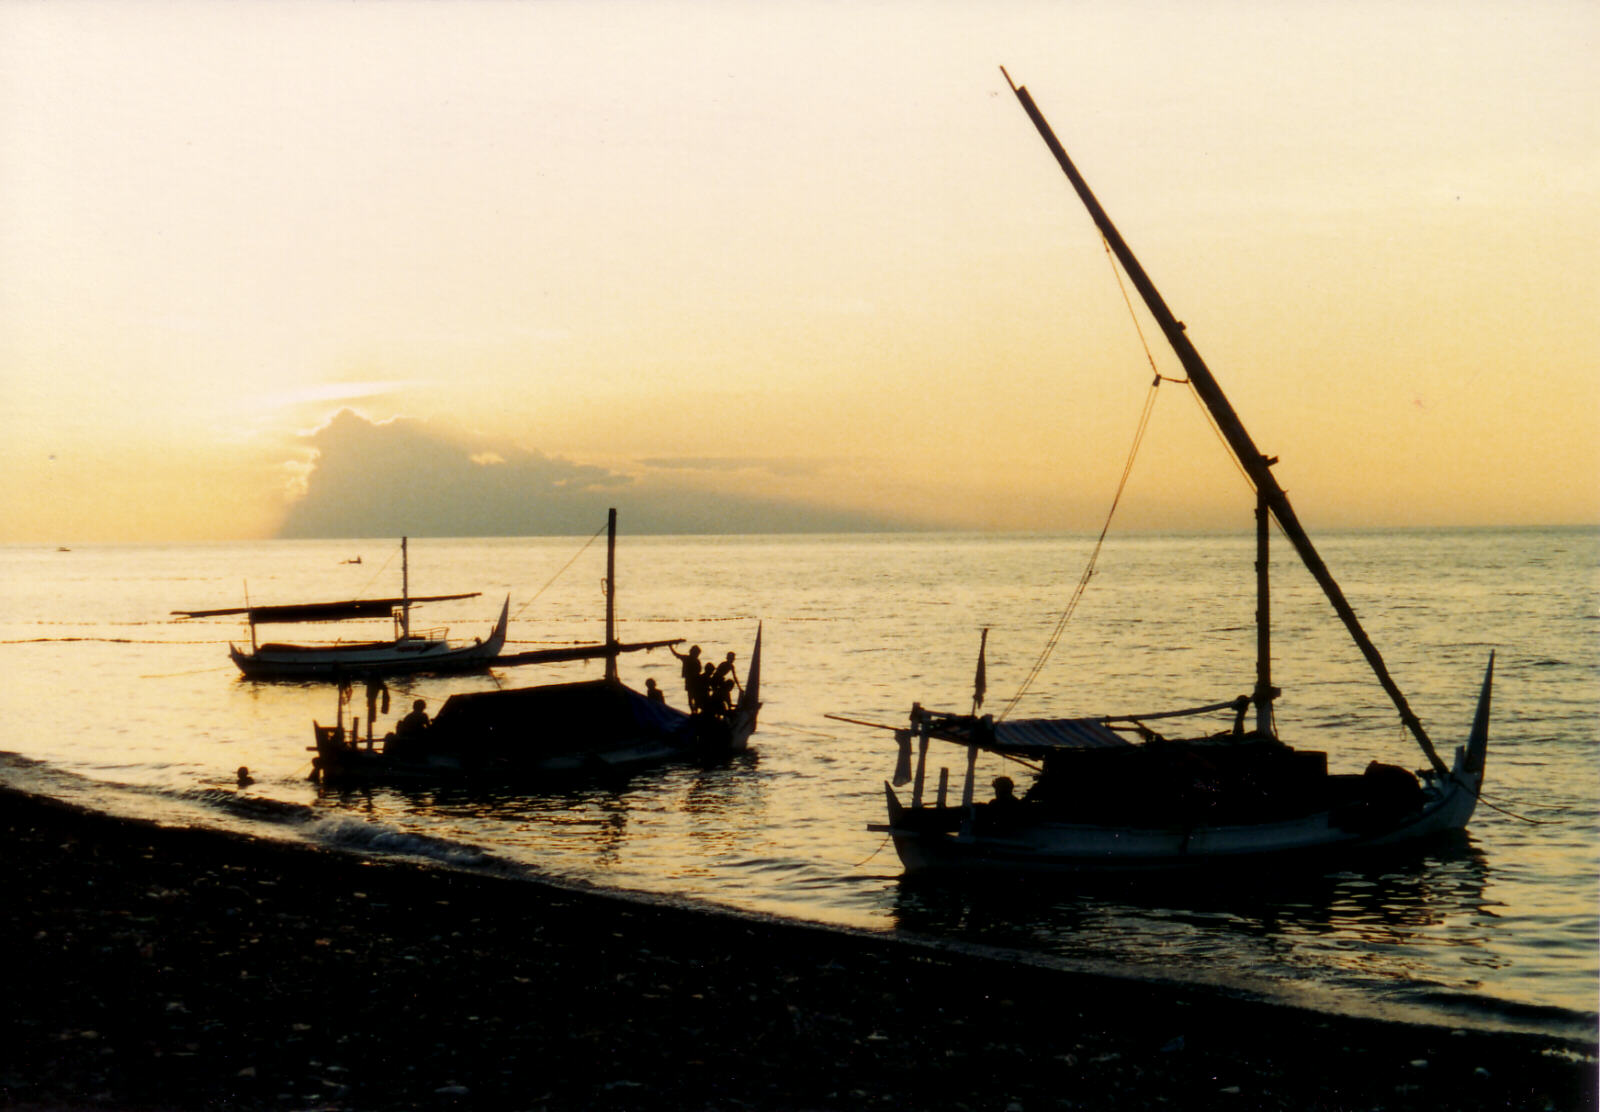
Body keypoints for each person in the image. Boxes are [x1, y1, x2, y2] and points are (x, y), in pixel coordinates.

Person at [669, 644, 703, 710]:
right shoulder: (687, 658)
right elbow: (676, 654)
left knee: (694, 697)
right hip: (691, 681)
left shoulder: (696, 660)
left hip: (695, 681)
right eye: (696, 653)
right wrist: (671, 647)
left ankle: (695, 710)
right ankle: (693, 711)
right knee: (691, 697)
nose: (697, 655)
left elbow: (676, 654)